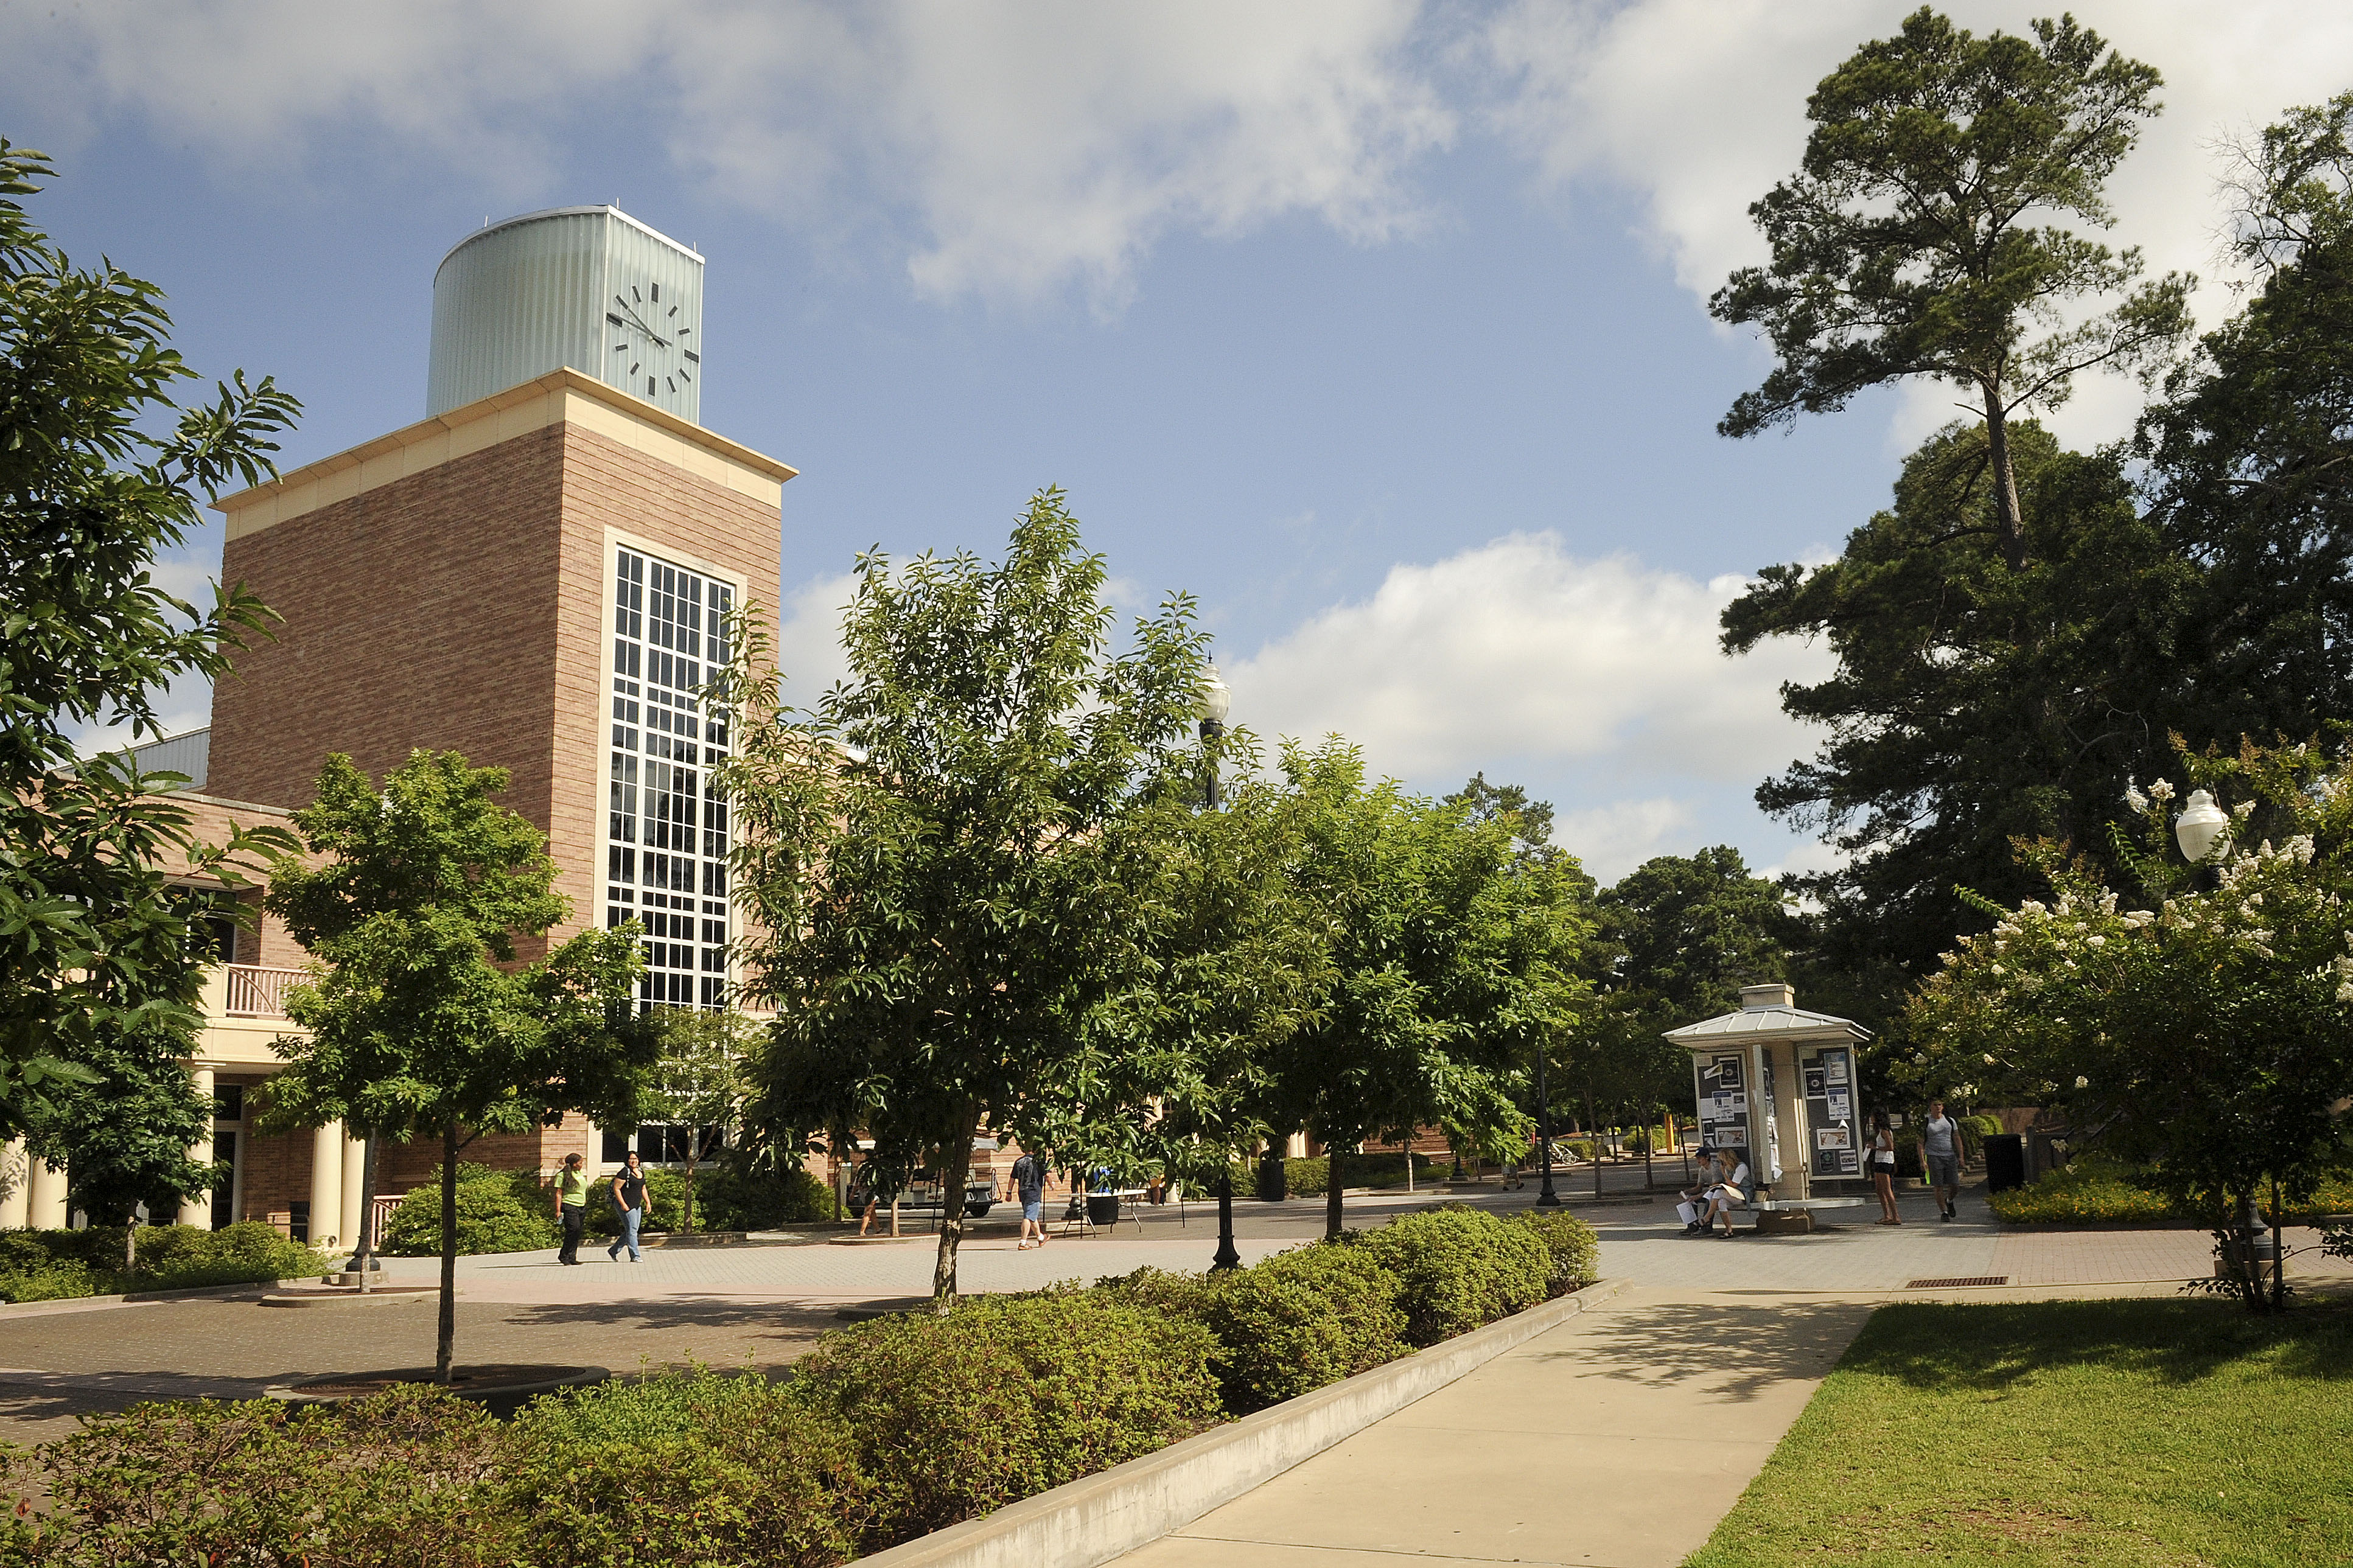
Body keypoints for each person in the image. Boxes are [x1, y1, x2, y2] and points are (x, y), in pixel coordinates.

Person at [1921, 1098, 1967, 1222]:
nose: (1938, 1107)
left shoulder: (1950, 1121)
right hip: (1933, 1156)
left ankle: (1949, 1201)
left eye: (1940, 1105)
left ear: (1943, 1107)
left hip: (1949, 1155)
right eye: (1935, 1105)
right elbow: (1920, 1142)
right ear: (1930, 1107)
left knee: (1955, 1185)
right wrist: (1922, 1160)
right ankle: (1944, 1212)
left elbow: (1957, 1138)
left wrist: (1961, 1156)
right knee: (1938, 1186)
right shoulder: (1926, 1122)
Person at [606, 1149, 648, 1262]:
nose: (634, 1161)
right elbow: (617, 1189)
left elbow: (643, 1188)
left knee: (632, 1230)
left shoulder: (640, 1171)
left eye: (635, 1159)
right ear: (627, 1161)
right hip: (626, 1205)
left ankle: (614, 1250)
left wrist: (648, 1202)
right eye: (631, 1159)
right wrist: (623, 1204)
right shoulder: (624, 1172)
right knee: (632, 1230)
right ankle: (635, 1256)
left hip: (636, 1205)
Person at [553, 1151, 590, 1265]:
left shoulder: (579, 1174)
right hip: (569, 1205)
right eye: (580, 1163)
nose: (582, 1164)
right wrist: (558, 1211)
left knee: (577, 1231)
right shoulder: (562, 1176)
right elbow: (559, 1193)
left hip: (581, 1205)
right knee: (573, 1229)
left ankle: (572, 1257)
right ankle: (564, 1255)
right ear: (574, 1164)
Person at [1705, 1148, 1752, 1238]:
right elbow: (1728, 1184)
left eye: (1723, 1161)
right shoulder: (1729, 1168)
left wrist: (1723, 1172)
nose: (1723, 1164)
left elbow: (1733, 1185)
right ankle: (1729, 1230)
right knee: (1721, 1202)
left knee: (1718, 1193)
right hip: (1735, 1194)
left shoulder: (1741, 1167)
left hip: (1744, 1194)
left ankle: (1707, 1217)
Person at [1011, 1144, 1049, 1250]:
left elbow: (1012, 1178)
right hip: (1034, 1192)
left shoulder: (1018, 1162)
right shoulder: (1038, 1161)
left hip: (1022, 1192)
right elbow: (1047, 1175)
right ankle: (1023, 1242)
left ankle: (1041, 1238)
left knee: (1032, 1215)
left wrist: (1009, 1192)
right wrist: (1052, 1184)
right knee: (1028, 1217)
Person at [1676, 1146, 1722, 1233]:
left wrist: (1697, 1197)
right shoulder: (1702, 1170)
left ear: (1707, 1157)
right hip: (1710, 1192)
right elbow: (1699, 1187)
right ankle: (1692, 1225)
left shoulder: (1715, 1168)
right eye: (1697, 1158)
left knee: (1710, 1199)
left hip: (1719, 1193)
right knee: (1690, 1199)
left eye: (1700, 1158)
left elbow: (1714, 1187)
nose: (1698, 1160)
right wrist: (1687, 1192)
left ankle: (1706, 1227)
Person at [1867, 1110, 1900, 1224]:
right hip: (1879, 1161)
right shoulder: (1881, 1131)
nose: (1871, 1118)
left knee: (1887, 1189)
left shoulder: (1885, 1132)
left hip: (1885, 1161)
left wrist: (1875, 1148)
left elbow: (1890, 1147)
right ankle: (1887, 1215)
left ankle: (1895, 1216)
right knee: (1879, 1190)